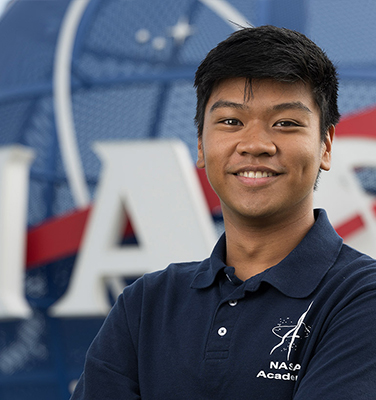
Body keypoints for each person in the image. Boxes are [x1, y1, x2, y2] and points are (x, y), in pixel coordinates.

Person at [70, 25, 376, 399]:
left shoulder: (361, 297)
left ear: (326, 145)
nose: (256, 144)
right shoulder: (146, 304)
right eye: (231, 121)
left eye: (286, 123)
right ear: (200, 145)